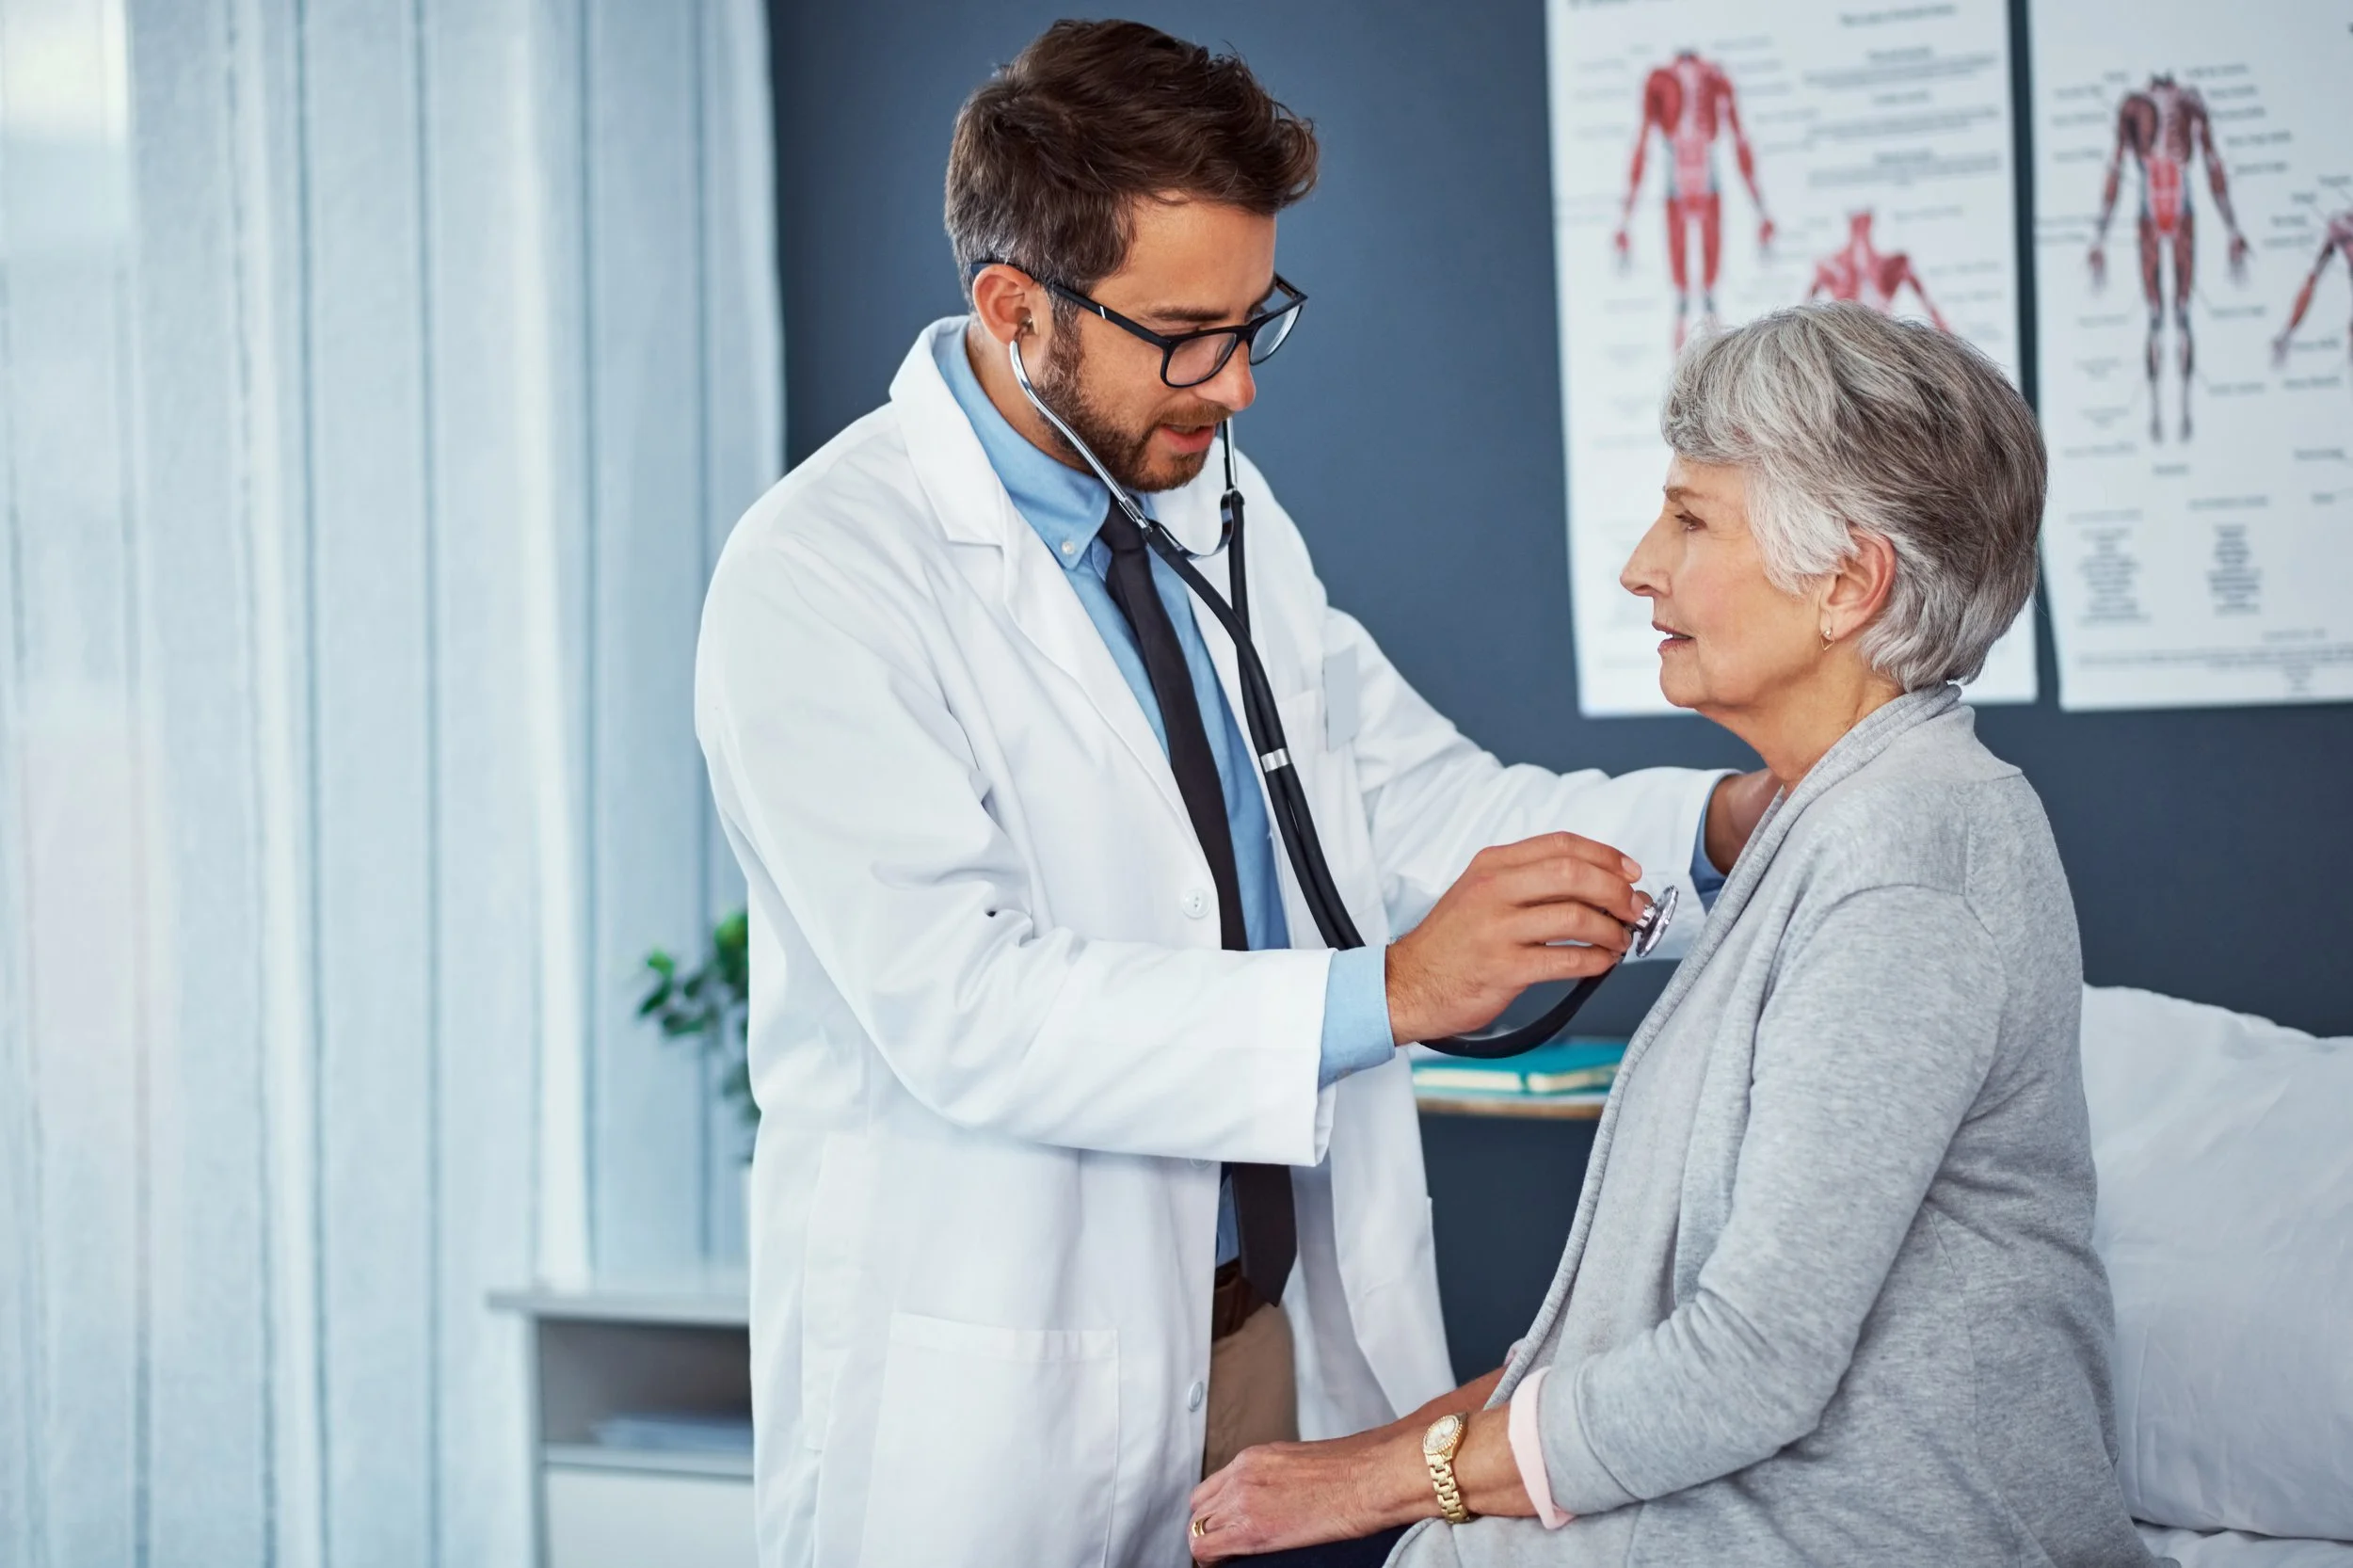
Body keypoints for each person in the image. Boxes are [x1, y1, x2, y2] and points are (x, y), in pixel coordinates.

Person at [696, 21, 1771, 1567]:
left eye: (1258, 317)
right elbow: (967, 1007)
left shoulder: (1214, 500)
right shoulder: (821, 576)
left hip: (1263, 1335)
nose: (1242, 385)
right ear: (1014, 310)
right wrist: (1393, 992)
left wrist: (1720, 836)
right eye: (1188, 333)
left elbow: (1407, 809)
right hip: (1006, 1365)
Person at [1185, 303, 2161, 1567]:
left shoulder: (1903, 858)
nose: (1642, 563)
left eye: (1692, 518)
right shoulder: (1832, 826)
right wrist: (1394, 1461)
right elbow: (1655, 1330)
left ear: (1848, 583)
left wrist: (1390, 1479)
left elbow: (1749, 1364)